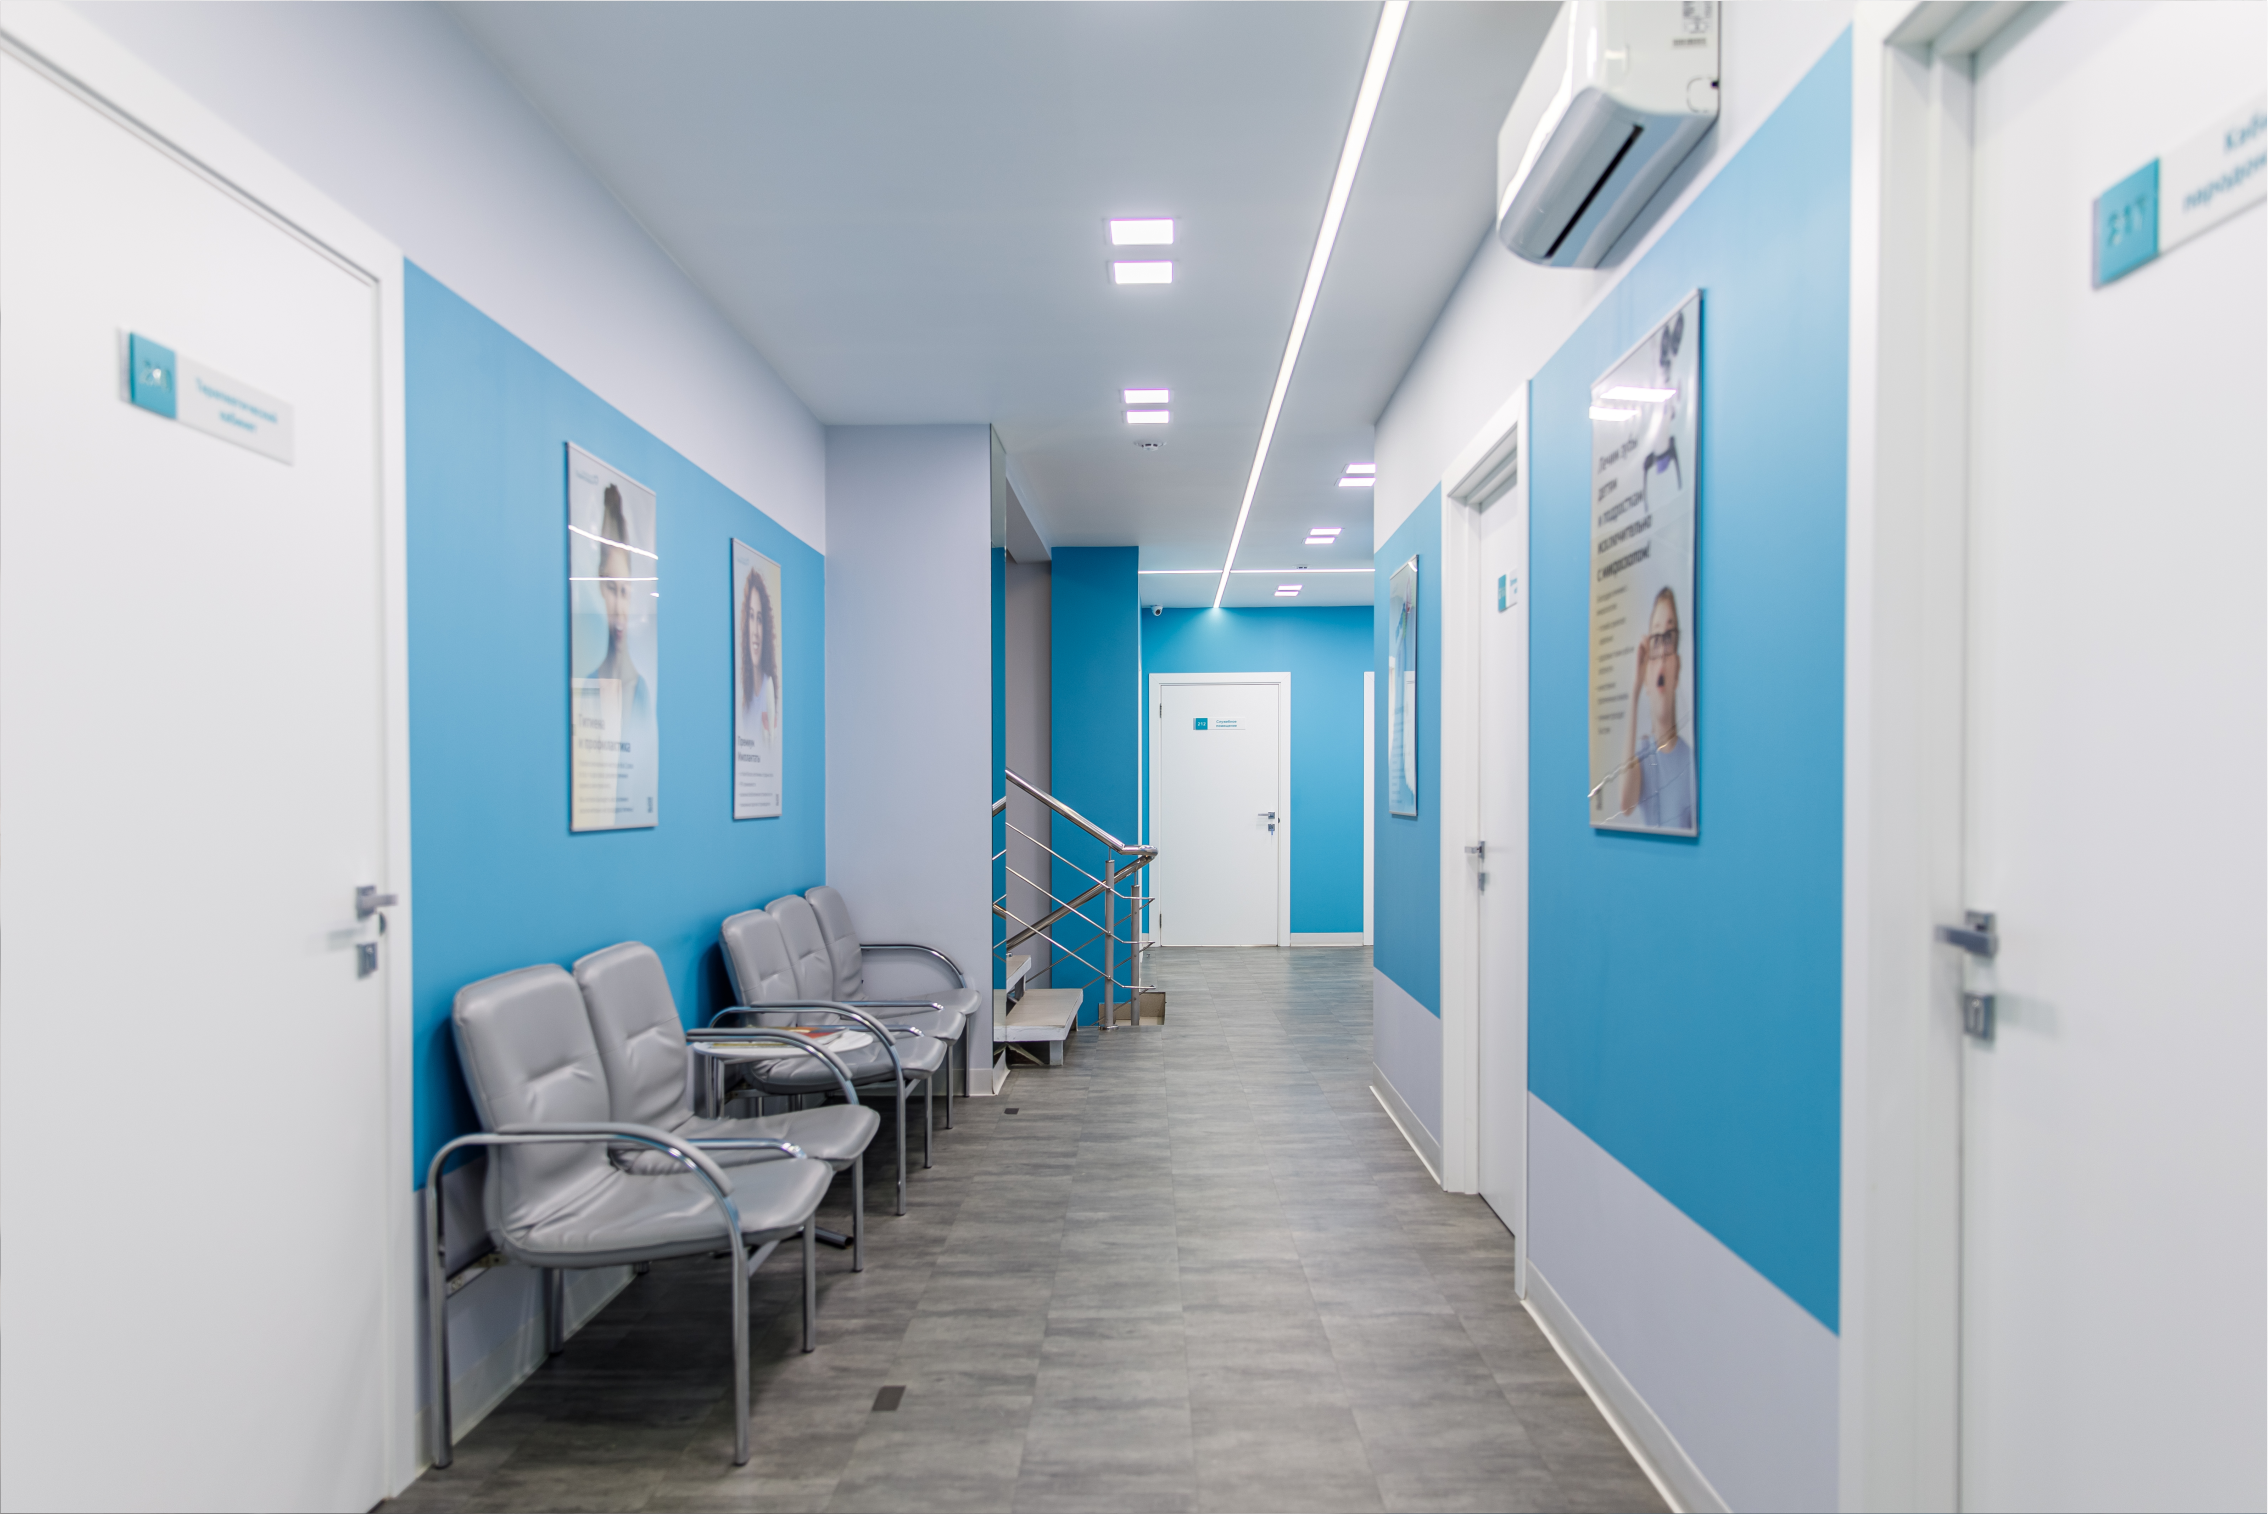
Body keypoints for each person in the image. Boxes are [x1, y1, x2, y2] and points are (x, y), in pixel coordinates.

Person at [1617, 585, 1694, 829]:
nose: (1661, 655)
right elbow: (1625, 803)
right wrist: (1634, 691)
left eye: (1668, 638)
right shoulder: (1643, 756)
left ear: (1677, 668)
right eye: (1656, 640)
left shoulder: (1692, 762)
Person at [582, 484, 650, 724]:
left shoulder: (641, 694)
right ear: (601, 586)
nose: (619, 609)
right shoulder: (587, 688)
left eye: (625, 591)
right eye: (612, 588)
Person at [738, 564, 778, 748]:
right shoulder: (744, 699)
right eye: (751, 617)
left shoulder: (768, 690)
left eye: (760, 619)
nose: (755, 631)